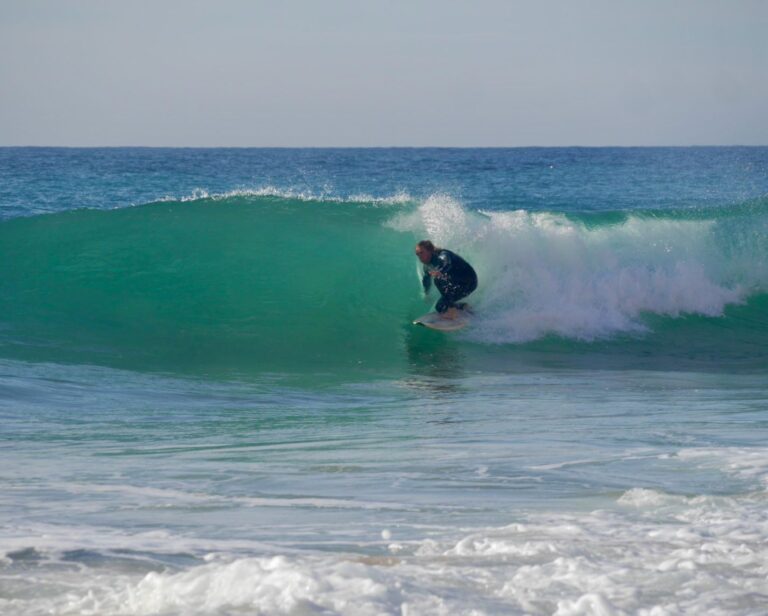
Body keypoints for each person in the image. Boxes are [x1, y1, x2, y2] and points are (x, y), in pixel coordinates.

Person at [415, 240, 478, 317]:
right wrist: (426, 292)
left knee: (437, 279)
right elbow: (426, 279)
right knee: (440, 306)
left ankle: (452, 308)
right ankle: (463, 307)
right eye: (417, 254)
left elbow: (447, 264)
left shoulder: (443, 255)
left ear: (430, 251)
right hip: (458, 285)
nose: (420, 257)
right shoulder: (427, 266)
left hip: (469, 282)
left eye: (421, 253)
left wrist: (440, 272)